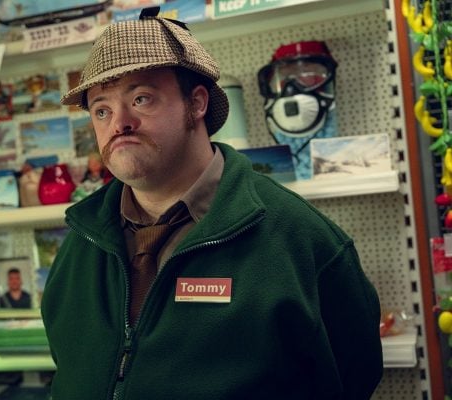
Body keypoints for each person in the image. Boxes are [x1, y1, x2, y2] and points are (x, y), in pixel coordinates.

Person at [41, 7, 383, 400]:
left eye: (141, 98)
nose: (119, 123)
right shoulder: (81, 240)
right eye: (101, 110)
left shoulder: (301, 240)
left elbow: (352, 377)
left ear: (197, 103)